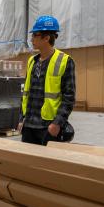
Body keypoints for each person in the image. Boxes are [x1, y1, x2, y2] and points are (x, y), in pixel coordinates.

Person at [18, 15, 76, 146]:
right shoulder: (31, 61)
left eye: (35, 35)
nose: (31, 39)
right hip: (29, 126)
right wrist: (21, 119)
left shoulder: (65, 61)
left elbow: (69, 97)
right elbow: (25, 94)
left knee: (48, 165)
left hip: (48, 127)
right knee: (28, 164)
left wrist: (57, 123)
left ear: (46, 38)